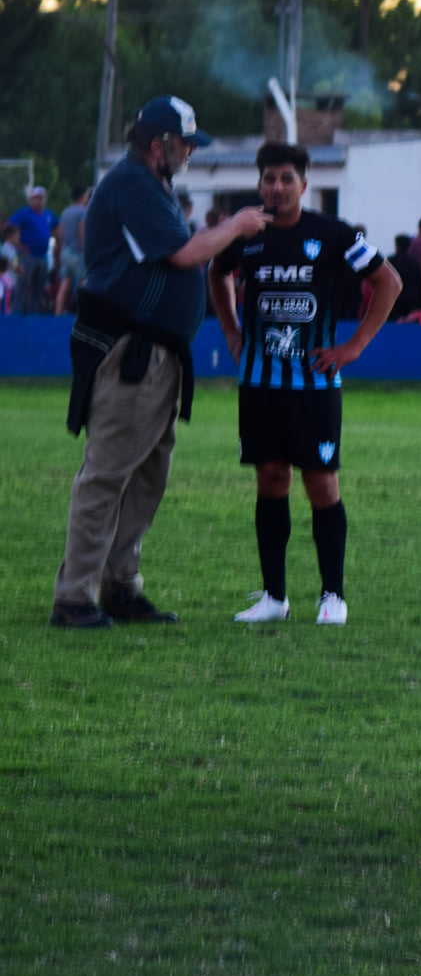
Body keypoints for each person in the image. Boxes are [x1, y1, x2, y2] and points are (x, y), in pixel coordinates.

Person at [53, 97, 271, 629]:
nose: (192, 152)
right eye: (187, 143)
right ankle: (75, 597)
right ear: (159, 145)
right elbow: (184, 254)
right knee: (107, 475)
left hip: (156, 354)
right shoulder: (132, 183)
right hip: (132, 352)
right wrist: (240, 224)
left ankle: (120, 587)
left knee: (147, 477)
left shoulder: (152, 185)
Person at [209, 143, 401, 626]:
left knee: (321, 482)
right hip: (259, 382)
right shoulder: (246, 234)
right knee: (270, 477)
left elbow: (390, 283)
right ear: (259, 185)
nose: (277, 186)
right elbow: (216, 273)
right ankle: (274, 598)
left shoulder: (334, 235)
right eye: (269, 178)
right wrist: (232, 331)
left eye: (286, 178)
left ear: (304, 185)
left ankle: (332, 595)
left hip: (314, 385)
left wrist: (354, 346)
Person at [9, 183, 54, 314]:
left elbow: (58, 227)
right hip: (25, 256)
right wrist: (18, 244)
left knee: (38, 287)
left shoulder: (48, 214)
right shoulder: (23, 213)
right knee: (22, 284)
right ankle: (16, 314)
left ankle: (32, 316)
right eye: (37, 198)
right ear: (31, 199)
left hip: (42, 256)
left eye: (41, 198)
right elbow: (10, 227)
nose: (39, 200)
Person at [53, 185, 91, 314]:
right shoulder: (82, 211)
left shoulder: (66, 211)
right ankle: (81, 313)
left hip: (65, 251)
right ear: (82, 196)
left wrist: (60, 248)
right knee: (82, 284)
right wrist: (84, 250)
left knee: (64, 284)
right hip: (77, 253)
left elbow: (60, 232)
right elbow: (82, 231)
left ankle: (57, 312)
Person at [388, 234, 421, 319]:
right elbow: (419, 283)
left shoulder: (390, 261)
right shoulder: (414, 263)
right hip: (411, 299)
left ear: (396, 246)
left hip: (394, 298)